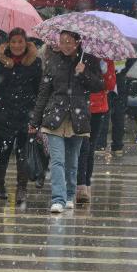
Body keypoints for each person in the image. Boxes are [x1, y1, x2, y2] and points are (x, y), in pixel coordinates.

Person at [29, 31, 103, 213]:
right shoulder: (53, 61)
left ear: (78, 42)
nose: (66, 45)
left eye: (70, 42)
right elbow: (44, 92)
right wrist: (35, 120)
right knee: (57, 160)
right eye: (62, 42)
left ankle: (70, 195)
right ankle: (58, 199)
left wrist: (84, 72)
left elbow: (99, 86)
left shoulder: (89, 60)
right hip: (55, 116)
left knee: (72, 161)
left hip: (78, 118)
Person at [0, 27, 42, 204]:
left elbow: (39, 89)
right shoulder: (0, 61)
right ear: (8, 43)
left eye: (20, 41)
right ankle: (0, 185)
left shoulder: (35, 62)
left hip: (25, 114)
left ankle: (21, 188)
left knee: (23, 153)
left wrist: (37, 115)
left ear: (26, 42)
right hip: (4, 114)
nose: (17, 45)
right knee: (3, 152)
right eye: (13, 42)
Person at [76, 59, 116, 203]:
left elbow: (110, 85)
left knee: (88, 148)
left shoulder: (106, 60)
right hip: (78, 107)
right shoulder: (78, 56)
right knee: (81, 148)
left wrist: (103, 71)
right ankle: (79, 184)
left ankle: (85, 184)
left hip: (97, 109)